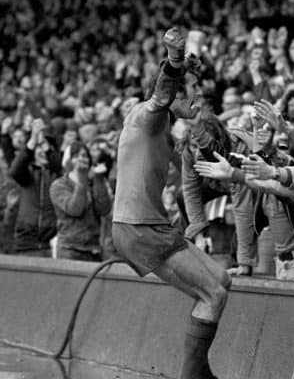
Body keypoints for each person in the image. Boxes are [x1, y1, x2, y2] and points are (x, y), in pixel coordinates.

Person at [112, 28, 230, 379]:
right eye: (192, 88)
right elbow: (161, 95)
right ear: (177, 91)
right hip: (139, 229)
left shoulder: (165, 126)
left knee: (222, 280)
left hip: (153, 226)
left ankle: (199, 373)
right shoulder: (148, 116)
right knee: (212, 296)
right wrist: (175, 60)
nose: (198, 94)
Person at [49, 141, 112, 261]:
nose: (82, 159)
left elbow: (104, 210)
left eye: (84, 155)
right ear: (68, 161)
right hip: (70, 249)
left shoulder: (92, 182)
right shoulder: (59, 185)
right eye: (76, 156)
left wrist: (99, 180)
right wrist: (82, 180)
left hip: (94, 249)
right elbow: (75, 210)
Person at [8, 118, 62, 257]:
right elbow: (14, 170)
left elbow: (61, 168)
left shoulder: (57, 176)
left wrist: (44, 144)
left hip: (52, 242)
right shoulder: (27, 174)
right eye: (39, 148)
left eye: (47, 148)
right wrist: (32, 140)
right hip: (26, 242)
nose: (43, 151)